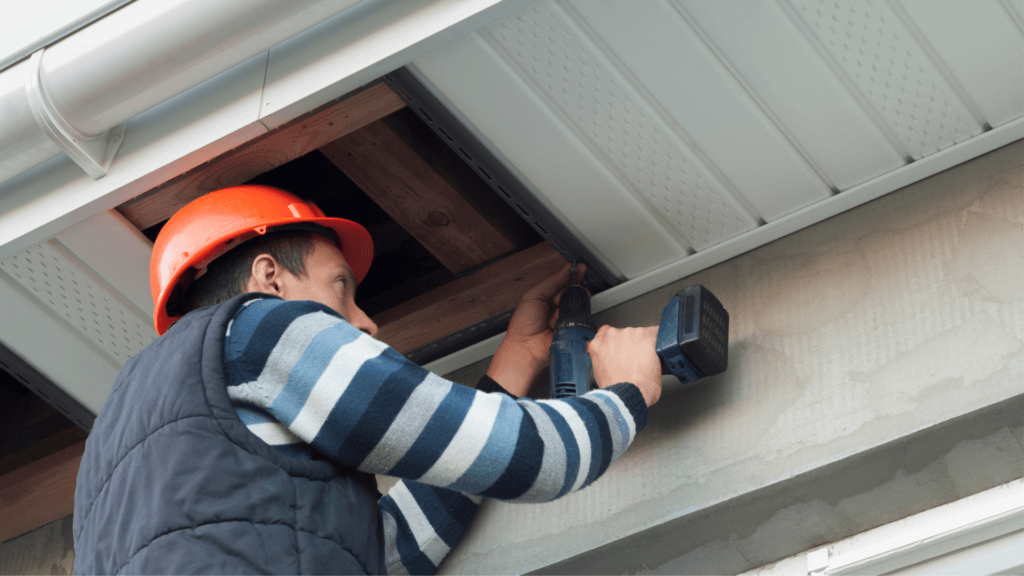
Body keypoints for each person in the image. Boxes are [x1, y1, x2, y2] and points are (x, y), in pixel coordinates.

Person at [73, 185, 662, 575]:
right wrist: (626, 392)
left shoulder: (109, 464)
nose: (365, 321)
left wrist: (512, 367)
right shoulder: (259, 330)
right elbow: (535, 461)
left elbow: (377, 554)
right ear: (269, 278)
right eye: (341, 287)